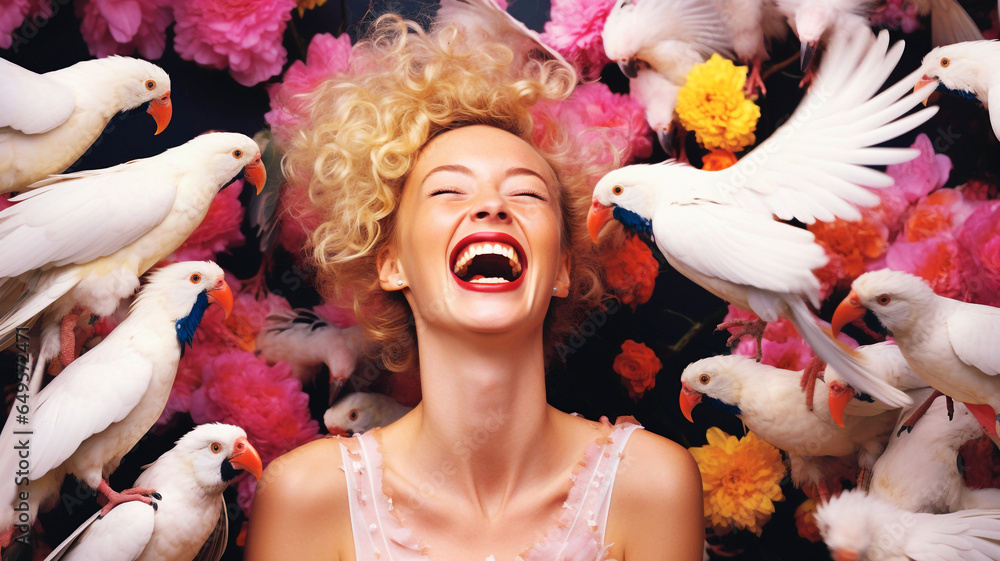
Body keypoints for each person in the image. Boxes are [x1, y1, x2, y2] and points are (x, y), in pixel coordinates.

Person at [244, 12, 703, 561]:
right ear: (391, 263)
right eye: (448, 193)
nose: (491, 206)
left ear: (561, 267)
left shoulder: (651, 486)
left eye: (527, 195)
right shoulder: (305, 498)